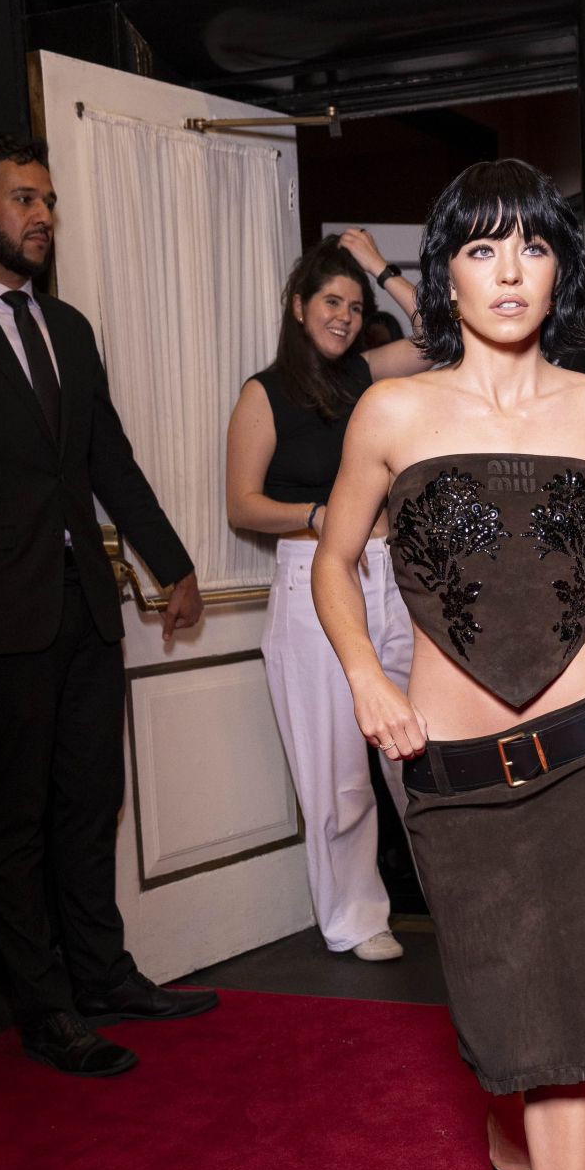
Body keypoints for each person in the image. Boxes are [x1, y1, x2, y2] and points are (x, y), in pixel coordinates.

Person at [311, 160, 585, 1170]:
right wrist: (364, 674)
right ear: (446, 272)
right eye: (480, 250)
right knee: (500, 1025)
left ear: (559, 268)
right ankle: (506, 1134)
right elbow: (335, 561)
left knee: (575, 1036)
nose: (508, 272)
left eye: (531, 249)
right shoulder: (393, 416)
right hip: (453, 777)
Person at [0, 134, 218, 1079]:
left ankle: (106, 976)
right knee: (15, 821)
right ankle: (45, 1009)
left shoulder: (68, 327)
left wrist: (173, 562)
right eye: (25, 199)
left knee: (89, 804)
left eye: (49, 202)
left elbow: (105, 458)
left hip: (86, 609)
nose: (42, 216)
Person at [226, 227, 429, 961]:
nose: (344, 315)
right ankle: (356, 920)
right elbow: (242, 505)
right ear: (298, 305)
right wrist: (319, 515)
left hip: (388, 578)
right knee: (339, 769)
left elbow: (441, 333)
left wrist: (381, 266)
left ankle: (454, 898)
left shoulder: (368, 376)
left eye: (355, 302)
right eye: (331, 301)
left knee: (418, 749)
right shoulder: (264, 392)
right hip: (310, 577)